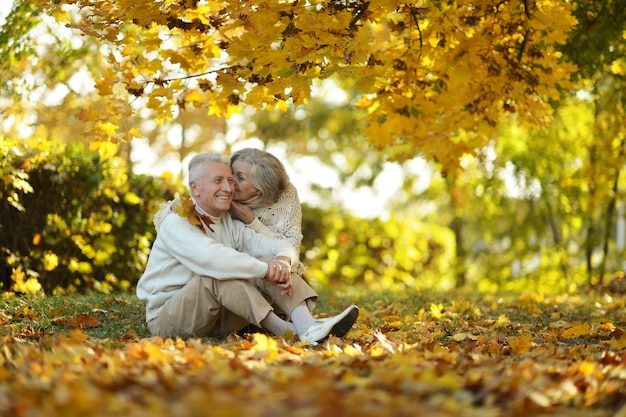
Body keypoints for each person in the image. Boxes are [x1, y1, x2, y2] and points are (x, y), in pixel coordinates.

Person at [137, 152, 359, 344]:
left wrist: (282, 260)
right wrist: (265, 270)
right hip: (169, 319)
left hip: (215, 318)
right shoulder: (177, 222)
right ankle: (290, 332)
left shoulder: (230, 224)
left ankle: (307, 325)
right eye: (218, 180)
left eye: (230, 180)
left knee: (267, 260)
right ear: (195, 188)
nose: (227, 188)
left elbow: (279, 246)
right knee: (218, 273)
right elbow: (212, 260)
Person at [228, 148, 306, 275]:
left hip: (267, 267)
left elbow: (291, 249)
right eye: (231, 173)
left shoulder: (285, 196)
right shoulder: (219, 192)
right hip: (230, 268)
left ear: (260, 189)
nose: (230, 180)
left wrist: (251, 221)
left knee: (277, 266)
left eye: (240, 178)